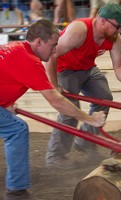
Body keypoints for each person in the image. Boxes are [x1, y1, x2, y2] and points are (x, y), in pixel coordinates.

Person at [0, 19, 105, 200]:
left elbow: (7, 77)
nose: (56, 50)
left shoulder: (16, 48)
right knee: (17, 130)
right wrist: (89, 119)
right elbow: (56, 101)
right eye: (53, 45)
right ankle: (16, 192)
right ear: (39, 42)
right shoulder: (29, 61)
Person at [44, 3, 121, 167]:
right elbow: (51, 55)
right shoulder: (79, 30)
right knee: (70, 109)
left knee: (104, 99)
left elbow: (119, 66)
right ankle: (55, 157)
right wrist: (54, 86)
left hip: (87, 68)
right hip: (64, 69)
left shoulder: (115, 38)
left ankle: (85, 140)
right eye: (117, 27)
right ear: (103, 21)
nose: (119, 31)